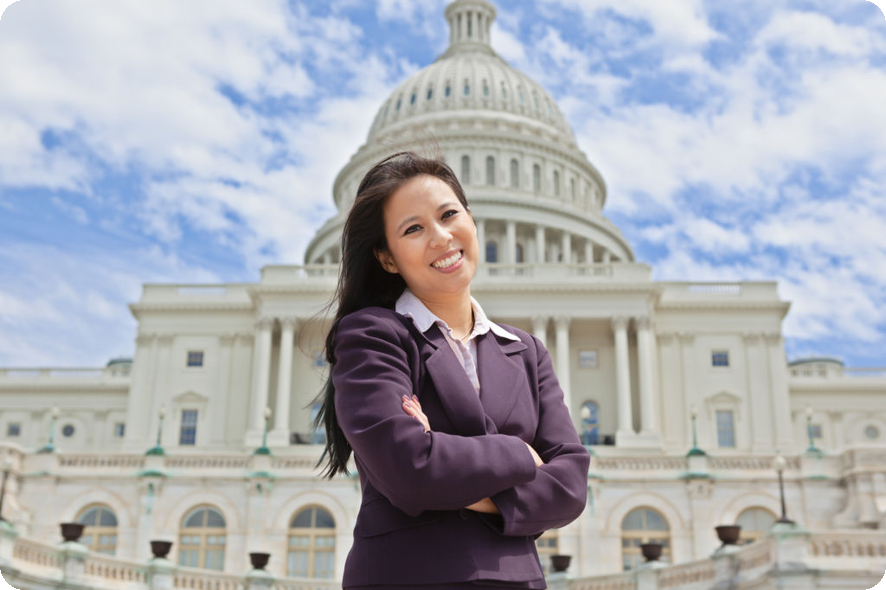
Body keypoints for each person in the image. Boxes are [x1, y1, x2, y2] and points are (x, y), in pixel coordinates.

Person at [314, 151, 590, 589]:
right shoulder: (371, 335)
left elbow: (571, 488)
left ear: (471, 220)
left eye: (448, 215)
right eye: (413, 229)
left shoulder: (526, 351)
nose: (441, 237)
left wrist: (443, 461)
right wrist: (522, 455)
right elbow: (410, 470)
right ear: (386, 257)